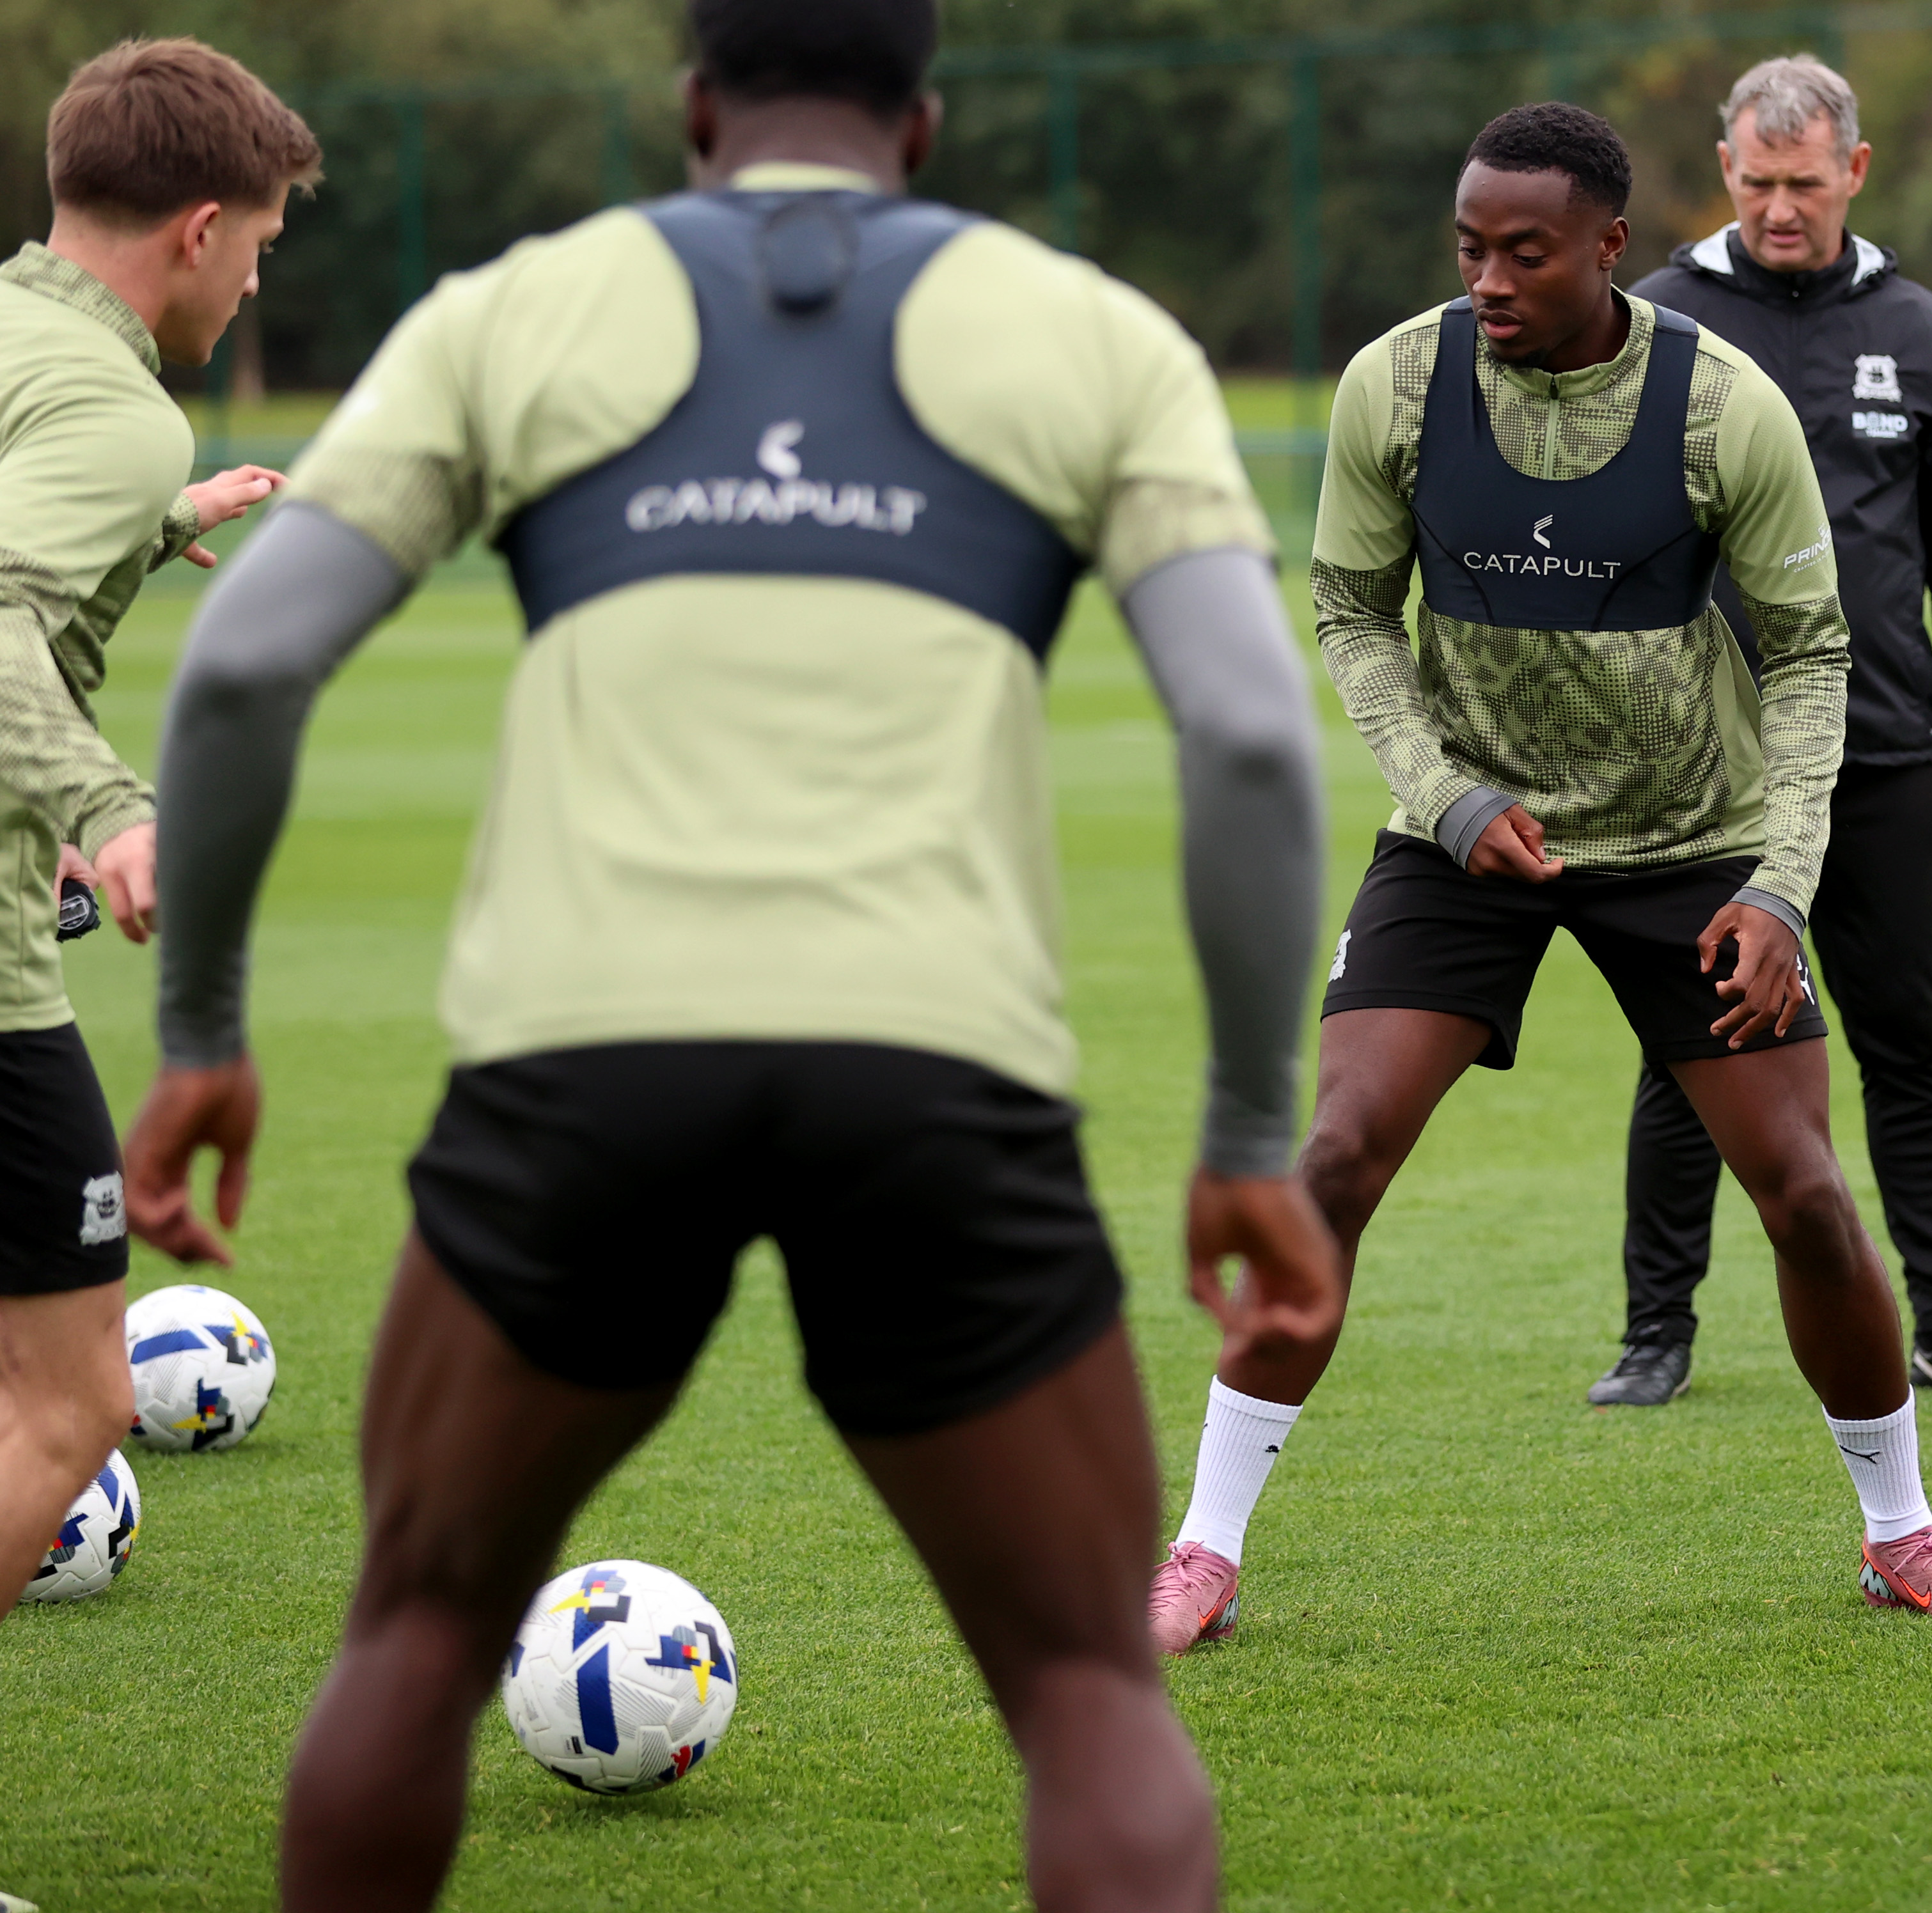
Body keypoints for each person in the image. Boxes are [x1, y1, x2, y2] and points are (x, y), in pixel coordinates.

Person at [120, 3, 1340, 1907]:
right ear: (921, 127)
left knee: (417, 1638)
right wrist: (1255, 1137)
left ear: (693, 108)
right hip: (939, 1077)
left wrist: (200, 1027)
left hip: (578, 1070)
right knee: (1088, 1692)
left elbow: (247, 667)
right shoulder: (1094, 334)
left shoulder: (514, 310)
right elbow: (1258, 739)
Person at [1145, 102, 1932, 1658]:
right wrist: (1447, 795)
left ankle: (1903, 1534)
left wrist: (1779, 886)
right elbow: (1350, 613)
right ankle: (1200, 1554)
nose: (1489, 278)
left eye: (1527, 252)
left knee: (1808, 1197)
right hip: (1464, 841)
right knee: (1335, 1158)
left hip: (1690, 840)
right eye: (1470, 248)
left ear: (1610, 247)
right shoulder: (1394, 387)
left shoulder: (1723, 406)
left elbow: (1813, 656)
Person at [1601, 55, 1932, 1407]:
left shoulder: (1918, 329)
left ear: (1854, 171)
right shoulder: (1659, 321)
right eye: (1757, 181)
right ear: (1725, 166)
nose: (1778, 207)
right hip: (1707, 768)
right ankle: (1655, 1334)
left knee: (1911, 1042)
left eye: (1804, 183)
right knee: (1688, 1048)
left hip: (1879, 753)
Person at [0, 35, 306, 1628]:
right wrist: (109, 807)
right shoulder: (121, 413)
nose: (255, 282)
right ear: (199, 229)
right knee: (71, 1402)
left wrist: (158, 519)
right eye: (258, 245)